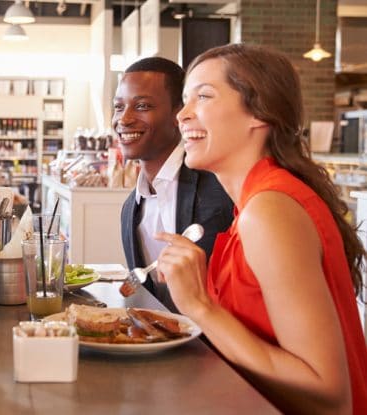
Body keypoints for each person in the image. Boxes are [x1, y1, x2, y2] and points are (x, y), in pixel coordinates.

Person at [155, 43, 367, 413]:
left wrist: (201, 306)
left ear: (259, 113)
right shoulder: (256, 202)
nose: (182, 115)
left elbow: (330, 397)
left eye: (203, 97)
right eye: (185, 100)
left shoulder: (268, 210)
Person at [114, 57, 233, 310]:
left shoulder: (219, 191)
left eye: (142, 106)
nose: (124, 119)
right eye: (118, 107)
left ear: (178, 113)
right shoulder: (129, 210)